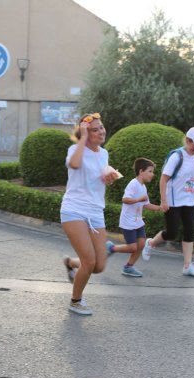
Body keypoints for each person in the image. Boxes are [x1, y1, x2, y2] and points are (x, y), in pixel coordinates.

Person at [60, 112, 121, 315]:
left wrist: (108, 178)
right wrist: (83, 138)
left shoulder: (103, 154)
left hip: (96, 211)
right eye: (94, 129)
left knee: (99, 265)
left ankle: (71, 263)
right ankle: (75, 301)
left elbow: (98, 179)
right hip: (74, 209)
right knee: (89, 261)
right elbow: (75, 164)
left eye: (101, 127)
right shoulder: (75, 149)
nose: (101, 132)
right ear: (85, 132)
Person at [141, 127, 194, 277]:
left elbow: (192, 177)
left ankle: (187, 266)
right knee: (171, 233)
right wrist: (164, 200)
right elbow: (163, 179)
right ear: (187, 140)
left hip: (189, 200)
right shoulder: (177, 157)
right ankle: (151, 243)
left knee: (189, 231)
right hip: (173, 200)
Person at [105, 158, 162, 277]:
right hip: (128, 222)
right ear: (141, 171)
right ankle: (112, 248)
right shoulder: (133, 184)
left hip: (138, 221)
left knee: (141, 245)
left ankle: (128, 267)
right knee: (132, 247)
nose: (153, 174)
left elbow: (146, 204)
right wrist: (138, 199)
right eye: (150, 171)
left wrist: (160, 208)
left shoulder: (143, 187)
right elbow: (125, 199)